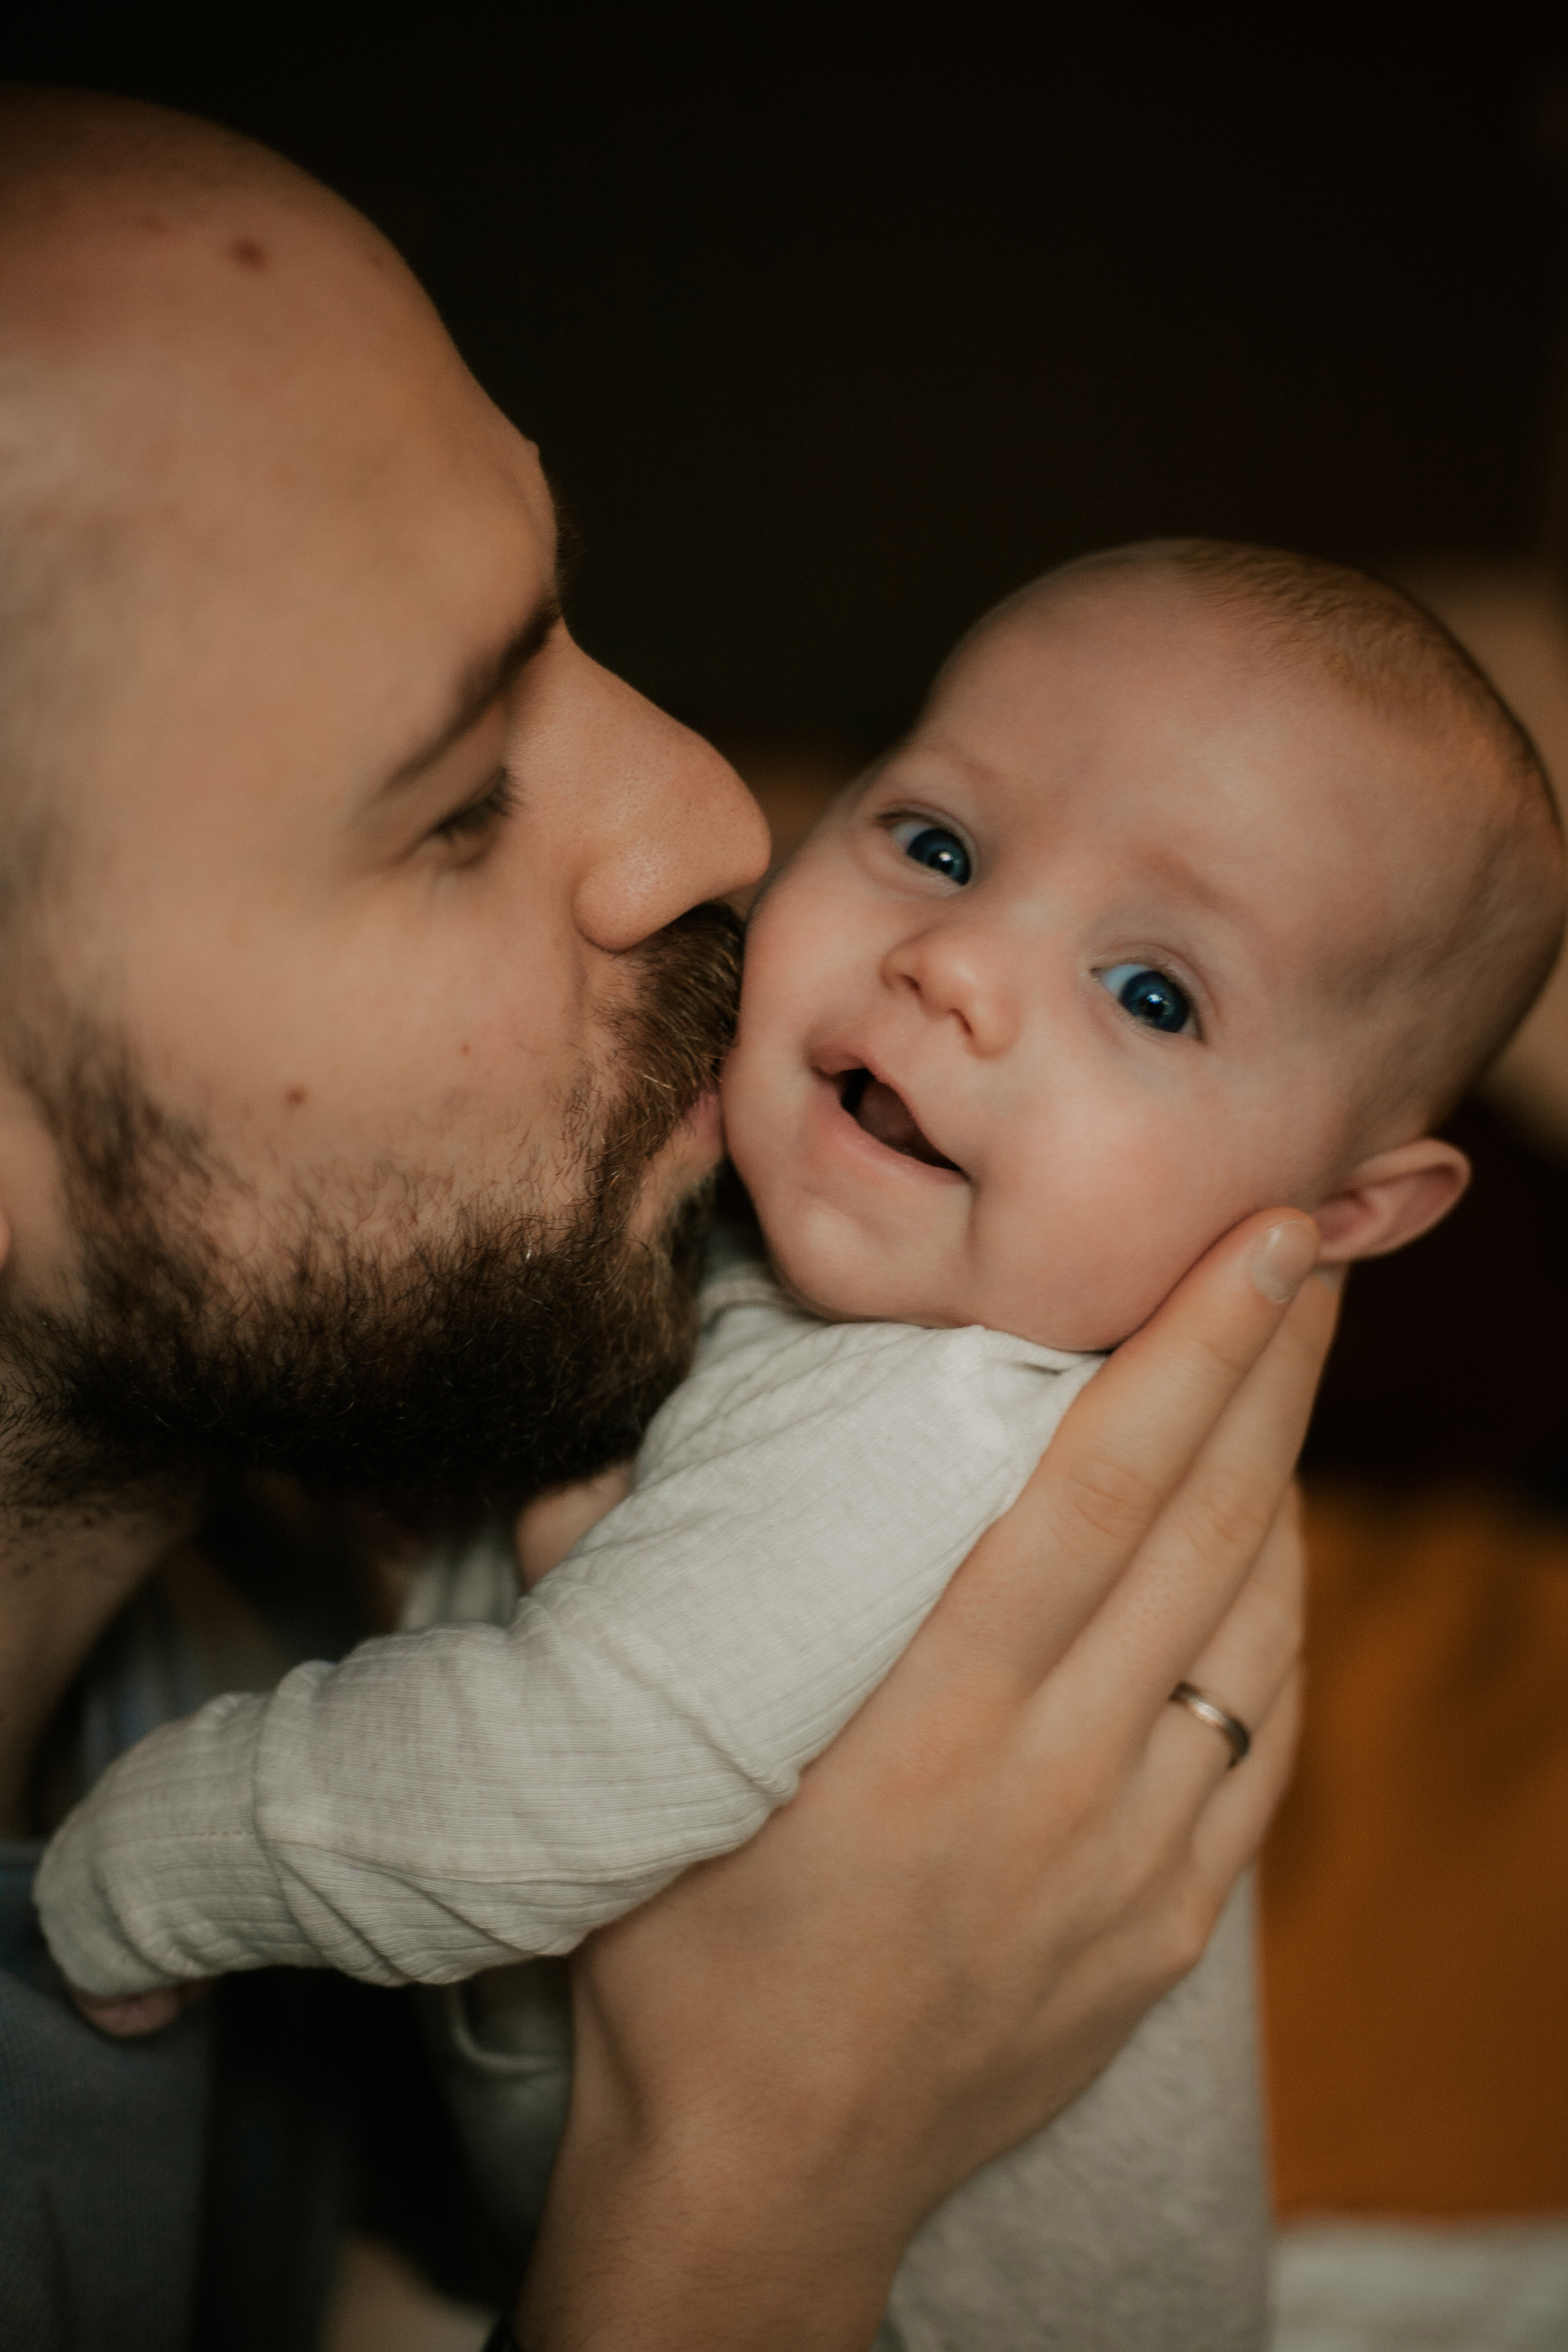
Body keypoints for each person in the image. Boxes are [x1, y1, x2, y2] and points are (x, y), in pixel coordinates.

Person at [0, 84, 1330, 2352]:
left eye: (568, 612)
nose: (717, 818)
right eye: (450, 802)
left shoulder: (238, 1628)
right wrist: (752, 2187)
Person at [35, 540, 1562, 2350]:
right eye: (937, 842)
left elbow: (570, 1766)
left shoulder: (930, 1427)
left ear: (1349, 1211)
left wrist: (149, 1865)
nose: (959, 967)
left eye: (1153, 994)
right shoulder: (756, 1245)